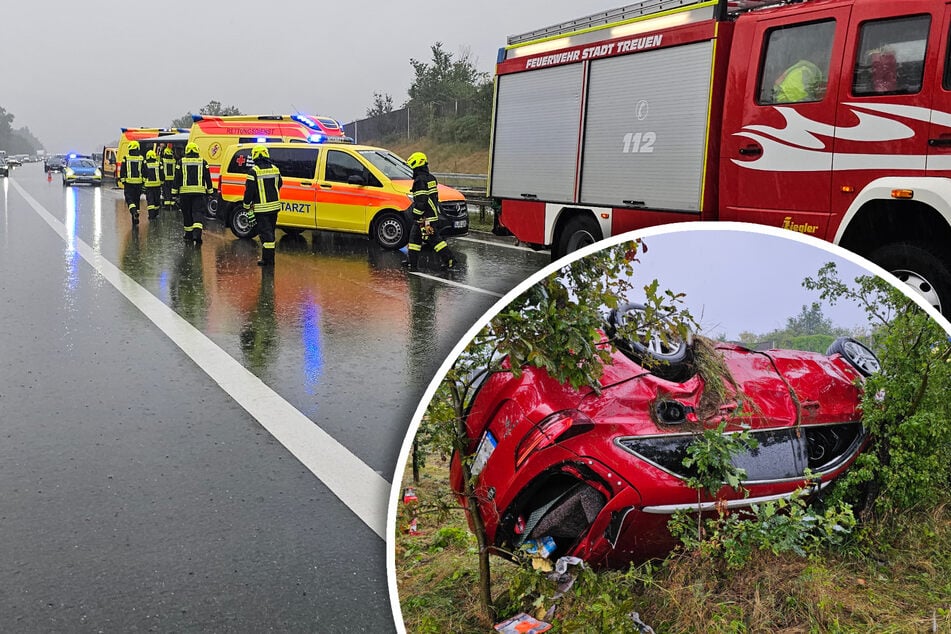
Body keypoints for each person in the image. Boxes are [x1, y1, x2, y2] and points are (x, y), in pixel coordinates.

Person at [403, 151, 454, 271]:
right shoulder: (431, 178)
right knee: (414, 239)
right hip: (430, 215)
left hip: (426, 218)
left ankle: (449, 260)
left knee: (435, 241)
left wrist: (416, 214)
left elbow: (421, 201)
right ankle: (412, 262)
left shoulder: (419, 180)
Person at [242, 145, 283, 267]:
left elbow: (249, 191)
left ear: (254, 156)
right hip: (274, 207)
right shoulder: (275, 169)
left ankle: (269, 260)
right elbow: (280, 183)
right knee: (270, 231)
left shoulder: (253, 171)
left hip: (262, 209)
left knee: (266, 235)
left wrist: (246, 204)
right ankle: (267, 258)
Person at [173, 142, 212, 244]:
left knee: (187, 214)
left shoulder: (180, 162)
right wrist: (210, 192)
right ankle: (197, 234)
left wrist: (174, 193)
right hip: (199, 194)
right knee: (198, 213)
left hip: (185, 194)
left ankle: (188, 235)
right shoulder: (203, 162)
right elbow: (208, 178)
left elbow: (177, 178)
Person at [119, 140, 144, 225]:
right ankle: (135, 219)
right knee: (137, 201)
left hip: (129, 184)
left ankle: (133, 212)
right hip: (139, 184)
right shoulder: (141, 158)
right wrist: (143, 181)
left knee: (129, 200)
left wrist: (123, 181)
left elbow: (122, 171)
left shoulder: (126, 158)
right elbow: (145, 171)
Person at [142, 149, 163, 220]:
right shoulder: (158, 164)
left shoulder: (145, 164)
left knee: (150, 201)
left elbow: (144, 174)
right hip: (157, 186)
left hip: (148, 187)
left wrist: (143, 183)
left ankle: (151, 216)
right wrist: (162, 182)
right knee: (156, 200)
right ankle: (156, 213)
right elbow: (162, 175)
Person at [161, 146, 177, 212]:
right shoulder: (174, 160)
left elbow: (161, 170)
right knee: (172, 192)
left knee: (166, 193)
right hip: (172, 179)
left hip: (165, 179)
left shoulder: (163, 160)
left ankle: (167, 206)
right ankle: (173, 206)